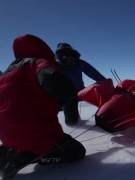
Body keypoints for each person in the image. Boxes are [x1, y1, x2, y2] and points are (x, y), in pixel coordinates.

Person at [0, 34, 86, 179]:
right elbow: (60, 86)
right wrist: (69, 97)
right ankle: (36, 155)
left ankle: (11, 152)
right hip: (41, 134)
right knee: (78, 151)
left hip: (7, 137)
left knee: (21, 137)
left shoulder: (6, 73)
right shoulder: (38, 63)